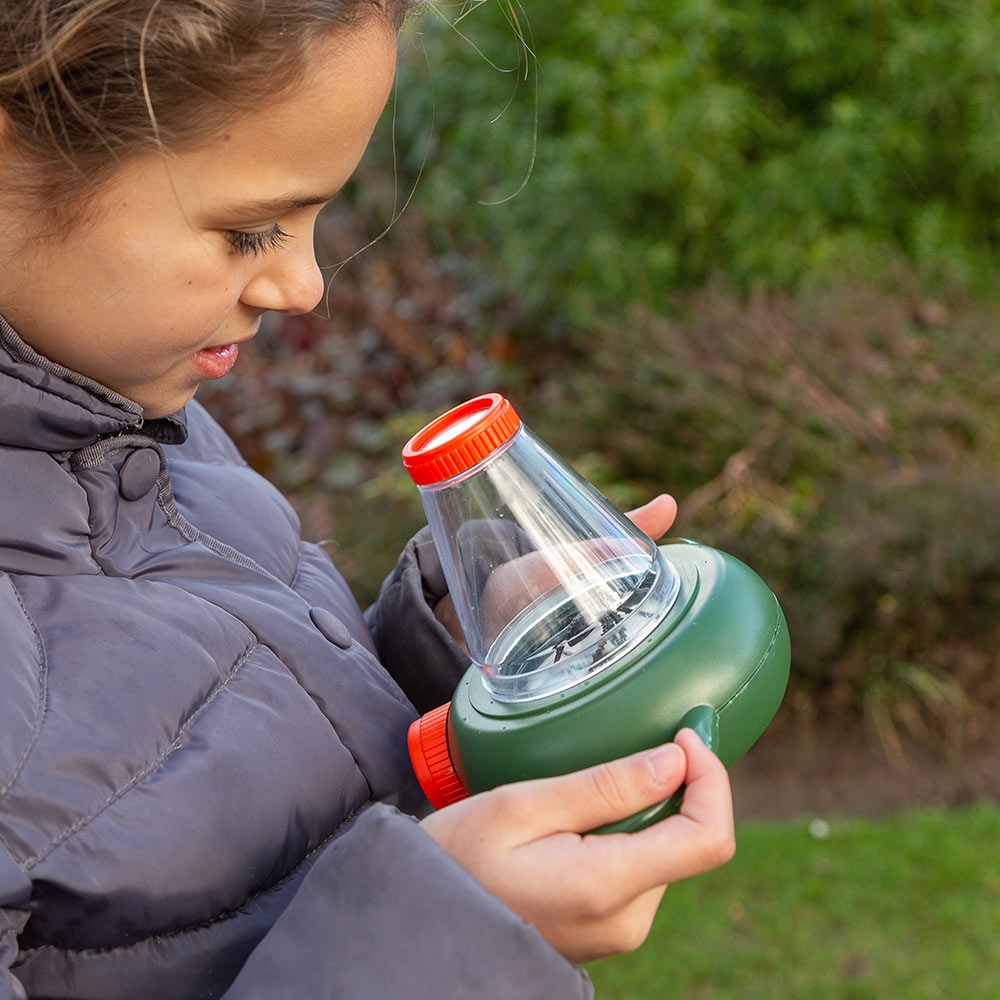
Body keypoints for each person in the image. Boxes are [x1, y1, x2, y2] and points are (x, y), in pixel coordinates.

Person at [0, 2, 736, 997]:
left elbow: (166, 767)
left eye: (315, 219)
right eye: (248, 228)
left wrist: (455, 649)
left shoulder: (129, 421)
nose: (303, 285)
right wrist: (441, 942)